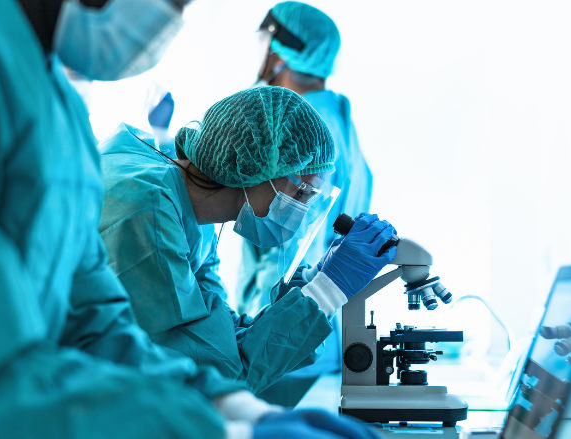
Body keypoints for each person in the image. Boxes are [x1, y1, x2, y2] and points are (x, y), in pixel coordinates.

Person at [0, 0, 382, 438]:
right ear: (258, 169)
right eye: (302, 191)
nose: (171, 19)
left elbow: (101, 325)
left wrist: (233, 405)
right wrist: (224, 428)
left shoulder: (60, 106)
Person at [99, 85, 396, 396]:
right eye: (303, 194)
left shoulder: (192, 217)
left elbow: (220, 338)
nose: (304, 213)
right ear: (254, 167)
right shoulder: (150, 213)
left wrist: (311, 284)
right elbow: (216, 377)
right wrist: (326, 293)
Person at [238, 1, 375, 402]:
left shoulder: (296, 125)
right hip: (319, 327)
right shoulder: (338, 117)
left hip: (282, 328)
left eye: (264, 43)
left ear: (279, 53)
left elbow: (280, 234)